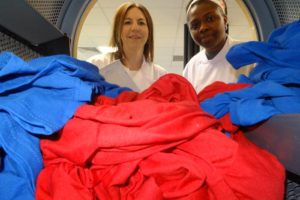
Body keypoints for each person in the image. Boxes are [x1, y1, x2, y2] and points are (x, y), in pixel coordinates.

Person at [87, 2, 168, 92]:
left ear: (149, 32)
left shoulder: (160, 76)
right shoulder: (96, 65)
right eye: (127, 22)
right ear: (118, 30)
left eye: (141, 23)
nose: (135, 28)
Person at [183, 0, 253, 93]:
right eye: (195, 25)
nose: (203, 28)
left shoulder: (248, 55)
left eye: (210, 19)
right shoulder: (191, 67)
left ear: (224, 20)